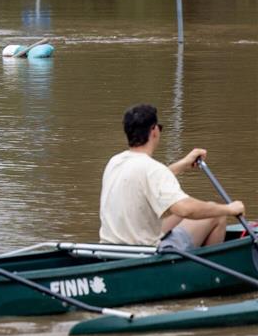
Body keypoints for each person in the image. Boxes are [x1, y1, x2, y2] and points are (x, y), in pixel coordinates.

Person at [99, 104, 245, 250]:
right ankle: (206, 271)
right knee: (216, 214)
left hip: (111, 249)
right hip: (145, 252)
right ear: (154, 130)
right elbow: (186, 209)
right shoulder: (153, 169)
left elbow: (147, 180)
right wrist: (230, 209)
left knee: (182, 207)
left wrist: (183, 164)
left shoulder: (115, 161)